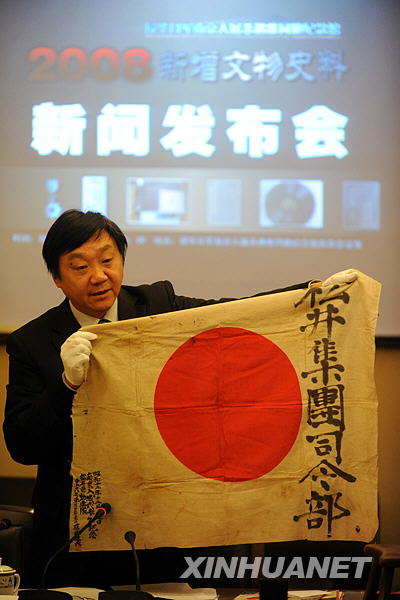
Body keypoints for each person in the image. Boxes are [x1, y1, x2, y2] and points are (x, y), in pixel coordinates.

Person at [3, 209, 357, 588]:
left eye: (108, 260)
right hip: (77, 539)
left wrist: (307, 294)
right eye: (79, 267)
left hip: (169, 531)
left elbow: (233, 315)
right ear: (57, 278)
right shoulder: (33, 342)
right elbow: (23, 446)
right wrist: (65, 384)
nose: (99, 276)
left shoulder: (158, 304)